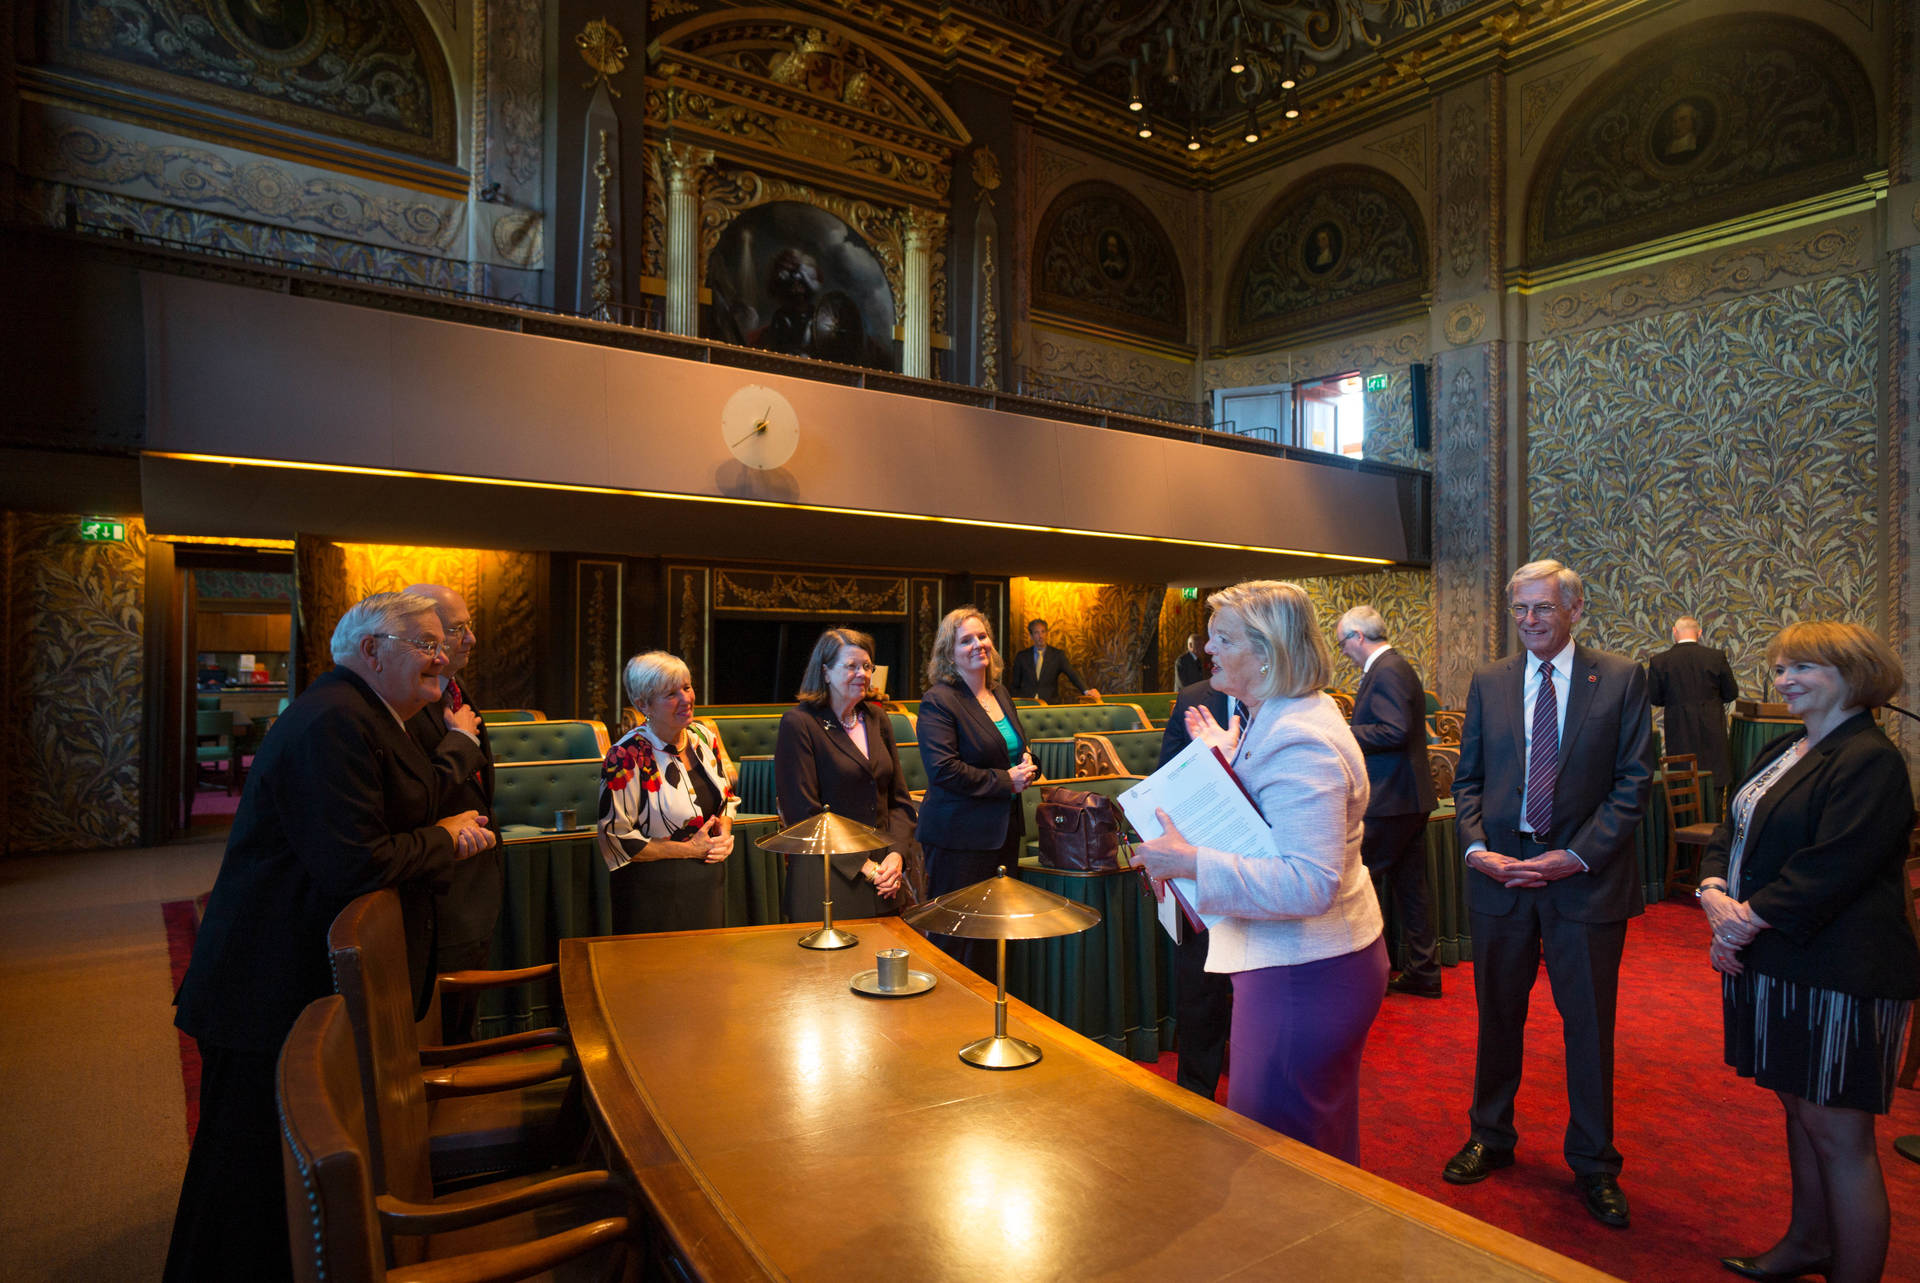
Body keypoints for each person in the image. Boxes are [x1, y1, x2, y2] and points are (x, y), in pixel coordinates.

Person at [165, 591, 495, 1283]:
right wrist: (442, 836)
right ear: (372, 651)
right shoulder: (335, 720)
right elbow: (356, 861)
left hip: (298, 978)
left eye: (445, 640)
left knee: (273, 1185)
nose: (443, 655)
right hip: (266, 982)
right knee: (245, 1178)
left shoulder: (373, 715)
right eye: (426, 642)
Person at [1134, 581, 1386, 1163]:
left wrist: (1188, 861)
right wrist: (1228, 760)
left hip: (1305, 973)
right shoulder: (1279, 716)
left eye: (1223, 638)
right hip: (1302, 963)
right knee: (1310, 1151)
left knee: (1281, 1160)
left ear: (1268, 653)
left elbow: (1308, 881)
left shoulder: (1298, 739)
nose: (1207, 648)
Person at [1698, 622, 1917, 1283]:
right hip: (1783, 960)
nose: (1785, 678)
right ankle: (1809, 1241)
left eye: (1803, 667)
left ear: (1853, 675)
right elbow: (1731, 824)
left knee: (1840, 1135)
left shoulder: (1871, 758)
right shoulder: (1791, 746)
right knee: (1799, 1110)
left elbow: (1835, 866)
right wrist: (1711, 889)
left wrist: (1741, 922)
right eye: (1781, 667)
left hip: (1841, 969)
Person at [1444, 559, 1652, 1230]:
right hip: (1502, 876)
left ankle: (1594, 1162)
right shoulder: (1490, 681)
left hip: (1584, 883)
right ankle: (1491, 1135)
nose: (1531, 619)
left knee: (1588, 1027)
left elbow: (1632, 782)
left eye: (1543, 607)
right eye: (1521, 609)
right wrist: (1477, 849)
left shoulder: (1620, 678)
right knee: (1498, 1014)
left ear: (1575, 609)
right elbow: (1467, 777)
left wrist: (1576, 856)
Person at [915, 606, 1039, 974]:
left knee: (993, 931)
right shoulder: (939, 700)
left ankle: (989, 1014)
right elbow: (943, 770)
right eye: (965, 640)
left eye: (982, 636)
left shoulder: (999, 693)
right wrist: (1006, 781)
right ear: (948, 653)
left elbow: (1011, 749)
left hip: (1002, 834)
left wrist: (1030, 763)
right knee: (956, 936)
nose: (977, 645)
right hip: (958, 839)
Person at [403, 582, 500, 1043]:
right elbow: (414, 797)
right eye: (457, 629)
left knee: (462, 1018)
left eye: (468, 626)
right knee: (436, 1029)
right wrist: (458, 743)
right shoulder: (405, 705)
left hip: (474, 881)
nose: (470, 639)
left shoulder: (456, 694)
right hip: (439, 890)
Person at [775, 627, 920, 922]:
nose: (862, 674)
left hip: (885, 880)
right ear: (825, 672)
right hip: (828, 879)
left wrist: (897, 856)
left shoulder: (877, 718)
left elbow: (900, 801)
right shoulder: (799, 723)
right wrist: (866, 867)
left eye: (867, 666)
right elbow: (804, 816)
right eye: (851, 666)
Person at [1336, 605, 1440, 998]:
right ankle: (1423, 970)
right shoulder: (1393, 666)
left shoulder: (1388, 669)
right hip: (1406, 797)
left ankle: (1357, 977)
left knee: (1356, 884)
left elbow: (1392, 730)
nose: (1343, 649)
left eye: (1343, 640)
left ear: (1359, 637)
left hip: (1392, 799)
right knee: (1411, 889)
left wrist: (1344, 733)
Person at [597, 651, 736, 933]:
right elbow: (617, 839)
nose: (686, 699)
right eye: (671, 694)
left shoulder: (703, 737)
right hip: (653, 892)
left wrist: (725, 832)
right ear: (642, 704)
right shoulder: (626, 755)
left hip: (708, 883)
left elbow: (727, 799)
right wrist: (688, 850)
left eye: (686, 687)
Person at [1155, 676, 1235, 1101]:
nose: (1210, 647)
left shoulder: (1284, 696)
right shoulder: (1193, 698)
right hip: (1198, 867)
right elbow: (1163, 783)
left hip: (1264, 869)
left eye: (1223, 637)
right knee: (1200, 986)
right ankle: (1194, 1096)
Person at [1646, 614, 1740, 790]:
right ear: (1700, 633)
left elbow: (1654, 698)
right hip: (1713, 728)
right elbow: (1731, 693)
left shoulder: (1659, 661)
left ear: (1675, 632)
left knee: (1682, 778)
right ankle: (1715, 815)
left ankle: (1685, 818)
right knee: (1715, 780)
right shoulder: (1716, 657)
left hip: (1678, 729)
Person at [1007, 618, 1099, 704]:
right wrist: (1014, 703)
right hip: (1027, 704)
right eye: (1036, 633)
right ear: (1031, 636)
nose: (1040, 636)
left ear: (1047, 633)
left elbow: (1072, 674)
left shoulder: (1058, 655)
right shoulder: (1022, 656)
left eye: (1043, 632)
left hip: (1049, 704)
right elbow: (1015, 684)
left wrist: (1086, 691)